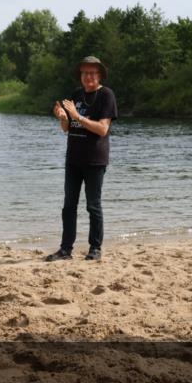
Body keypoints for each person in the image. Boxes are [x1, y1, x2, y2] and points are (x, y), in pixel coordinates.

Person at [45, 56, 118, 262]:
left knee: (93, 205)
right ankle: (65, 250)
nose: (88, 76)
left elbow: (102, 129)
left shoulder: (106, 95)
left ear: (100, 75)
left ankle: (95, 248)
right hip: (73, 160)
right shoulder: (76, 95)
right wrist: (63, 117)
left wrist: (76, 116)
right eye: (84, 73)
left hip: (95, 160)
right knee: (69, 206)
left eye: (92, 73)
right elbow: (67, 128)